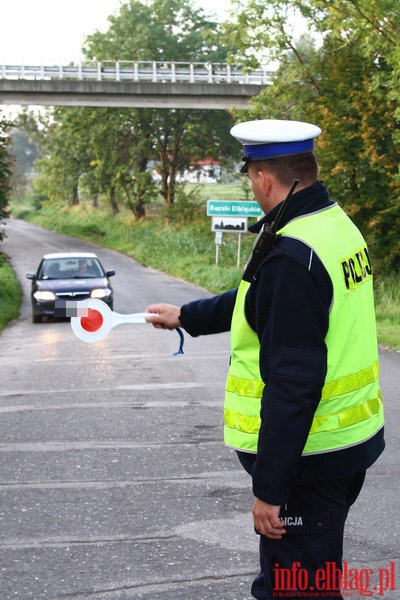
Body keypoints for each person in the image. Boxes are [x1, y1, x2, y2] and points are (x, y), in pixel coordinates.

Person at [145, 119, 385, 600]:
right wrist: (187, 315)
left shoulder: (293, 253)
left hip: (307, 461)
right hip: (343, 445)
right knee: (306, 583)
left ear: (263, 178)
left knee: (295, 590)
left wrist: (270, 490)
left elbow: (293, 384)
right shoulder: (330, 226)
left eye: (250, 178)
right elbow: (260, 298)